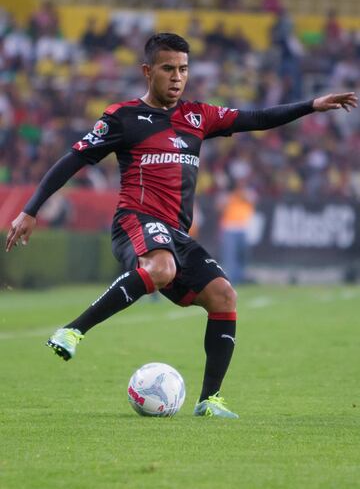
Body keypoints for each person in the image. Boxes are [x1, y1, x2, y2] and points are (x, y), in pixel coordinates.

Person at [5, 33, 357, 419]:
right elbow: (72, 160)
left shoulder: (198, 116)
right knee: (162, 268)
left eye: (183, 69)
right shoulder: (122, 117)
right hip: (134, 221)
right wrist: (31, 209)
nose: (177, 77)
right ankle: (72, 330)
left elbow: (255, 118)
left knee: (224, 296)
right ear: (147, 71)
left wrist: (311, 105)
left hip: (175, 234)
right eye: (168, 68)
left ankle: (209, 401)